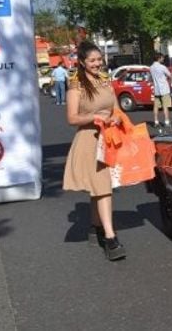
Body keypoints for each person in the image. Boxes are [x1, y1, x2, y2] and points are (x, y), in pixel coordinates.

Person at [63, 41, 126, 261]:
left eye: (99, 59)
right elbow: (71, 118)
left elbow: (115, 107)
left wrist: (116, 117)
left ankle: (94, 228)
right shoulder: (76, 85)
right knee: (103, 187)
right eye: (92, 60)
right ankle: (110, 238)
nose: (97, 63)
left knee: (98, 187)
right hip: (89, 141)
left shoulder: (105, 81)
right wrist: (94, 117)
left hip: (110, 139)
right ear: (82, 62)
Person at [150, 53, 172, 128]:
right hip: (164, 89)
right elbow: (169, 75)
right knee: (165, 106)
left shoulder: (151, 67)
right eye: (162, 58)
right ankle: (166, 122)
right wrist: (170, 81)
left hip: (156, 89)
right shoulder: (162, 67)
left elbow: (151, 78)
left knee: (156, 106)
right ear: (159, 58)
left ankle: (156, 121)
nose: (163, 59)